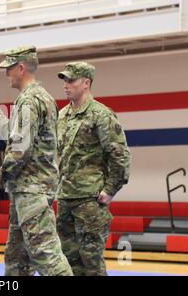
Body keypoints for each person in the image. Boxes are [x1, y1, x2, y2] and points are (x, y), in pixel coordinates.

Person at [0, 46, 73, 276]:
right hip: (29, 190)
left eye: (9, 68)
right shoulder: (42, 98)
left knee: (46, 256)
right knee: (16, 260)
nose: (6, 74)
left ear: (21, 68)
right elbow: (19, 136)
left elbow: (19, 150)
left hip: (31, 191)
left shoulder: (29, 101)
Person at [56, 61, 131, 276]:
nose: (66, 85)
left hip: (90, 201)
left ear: (86, 83)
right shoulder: (62, 116)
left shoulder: (101, 114)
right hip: (65, 199)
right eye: (64, 80)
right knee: (69, 263)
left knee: (92, 264)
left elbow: (120, 155)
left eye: (71, 80)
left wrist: (110, 189)